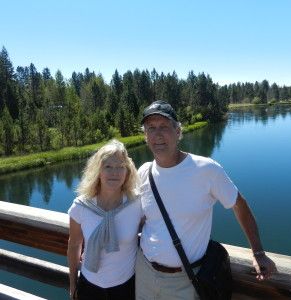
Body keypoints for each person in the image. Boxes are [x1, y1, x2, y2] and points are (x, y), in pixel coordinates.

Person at [135, 100, 277, 300]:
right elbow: (143, 218)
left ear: (178, 132)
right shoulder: (144, 171)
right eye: (151, 128)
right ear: (145, 136)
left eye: (164, 127)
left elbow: (239, 205)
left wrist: (259, 253)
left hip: (185, 280)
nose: (157, 135)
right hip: (144, 272)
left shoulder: (206, 169)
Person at [67, 139, 142, 300]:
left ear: (127, 171)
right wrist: (73, 283)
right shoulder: (81, 206)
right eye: (108, 166)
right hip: (89, 286)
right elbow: (74, 245)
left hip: (127, 286)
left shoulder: (137, 203)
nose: (115, 172)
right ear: (98, 171)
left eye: (120, 167)